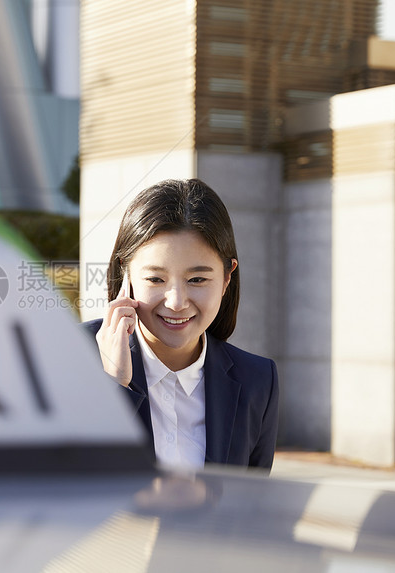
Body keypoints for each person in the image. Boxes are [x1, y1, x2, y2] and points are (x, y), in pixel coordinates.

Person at [84, 178, 278, 471]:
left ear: (227, 278)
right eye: (155, 279)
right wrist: (114, 387)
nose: (176, 302)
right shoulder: (68, 356)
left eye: (197, 279)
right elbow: (61, 498)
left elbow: (252, 509)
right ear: (126, 276)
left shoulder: (257, 381)